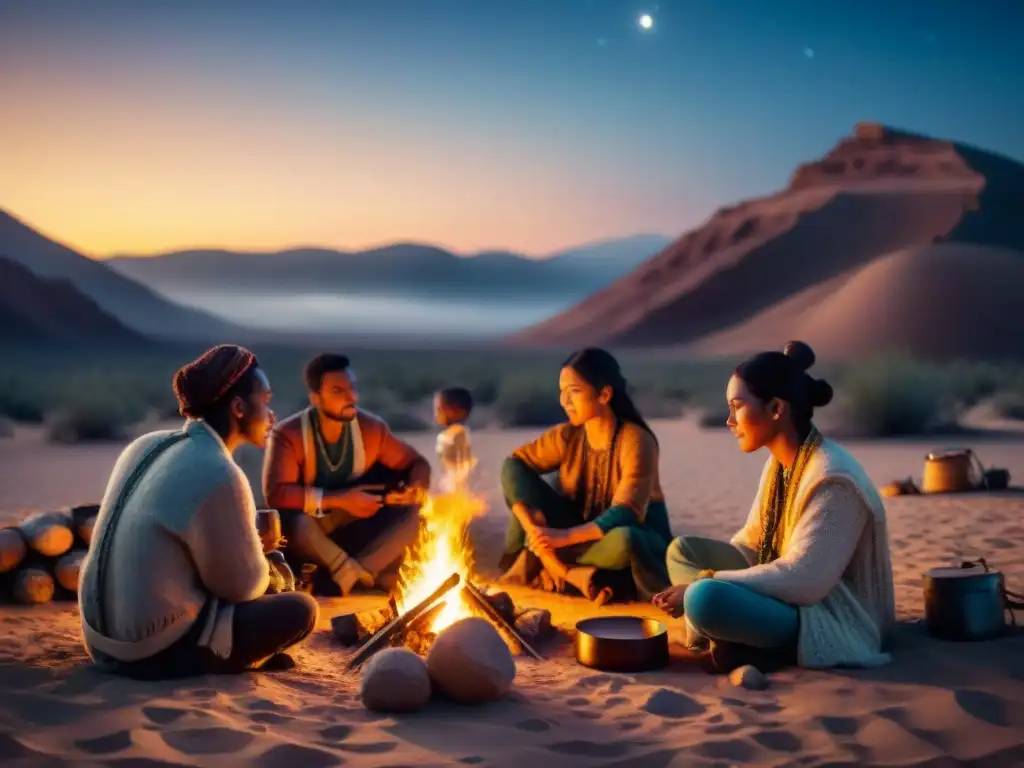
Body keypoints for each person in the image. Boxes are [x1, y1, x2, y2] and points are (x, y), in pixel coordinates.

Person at [652, 341, 896, 673]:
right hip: (786, 592)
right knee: (682, 551)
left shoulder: (834, 478)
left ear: (776, 409)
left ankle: (738, 640)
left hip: (828, 613)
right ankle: (728, 638)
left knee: (704, 598)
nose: (729, 421)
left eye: (737, 406)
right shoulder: (781, 463)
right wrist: (714, 575)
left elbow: (806, 580)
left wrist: (707, 582)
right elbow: (753, 544)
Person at [79, 345, 319, 680]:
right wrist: (266, 559)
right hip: (150, 651)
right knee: (300, 609)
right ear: (238, 407)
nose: (272, 415)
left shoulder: (144, 445)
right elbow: (240, 587)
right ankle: (235, 658)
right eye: (265, 401)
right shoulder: (219, 471)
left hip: (99, 642)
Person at [498, 348, 673, 603]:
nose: (564, 402)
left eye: (574, 392)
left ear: (604, 394)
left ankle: (555, 569)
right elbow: (514, 466)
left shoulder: (636, 440)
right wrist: (535, 529)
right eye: (562, 392)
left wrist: (562, 537)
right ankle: (564, 571)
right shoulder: (566, 436)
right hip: (567, 543)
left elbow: (626, 511)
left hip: (617, 542)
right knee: (522, 496)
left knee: (626, 539)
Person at [264, 353, 431, 595]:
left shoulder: (371, 429)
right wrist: (341, 500)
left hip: (357, 533)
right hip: (310, 538)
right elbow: (277, 494)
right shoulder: (289, 435)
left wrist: (413, 490)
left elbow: (417, 463)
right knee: (294, 522)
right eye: (338, 391)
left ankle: (353, 574)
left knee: (416, 517)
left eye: (352, 388)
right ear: (315, 398)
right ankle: (353, 574)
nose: (351, 397)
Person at [433, 387, 477, 494]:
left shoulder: (457, 434)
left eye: (439, 409)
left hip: (457, 491)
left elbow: (461, 466)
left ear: (455, 411)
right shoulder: (456, 433)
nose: (436, 414)